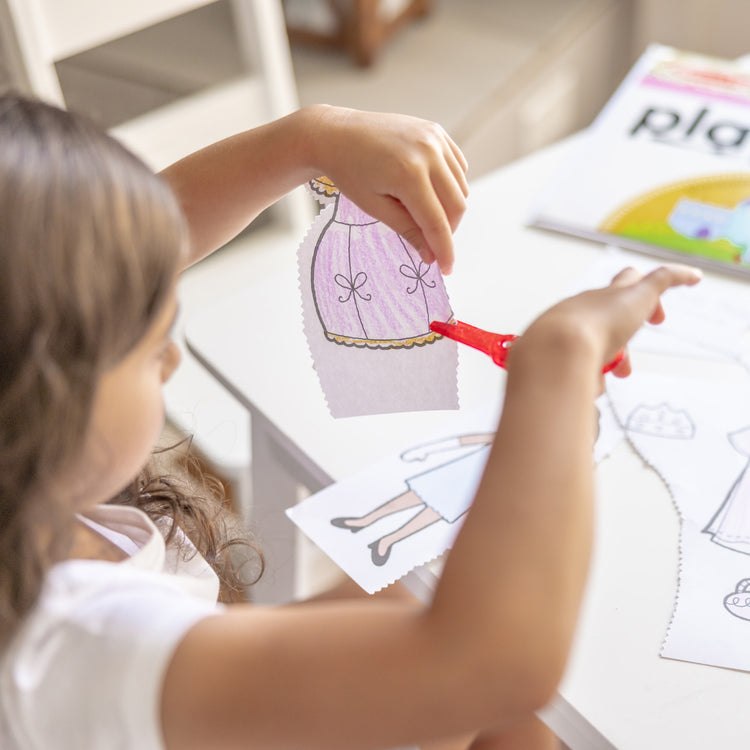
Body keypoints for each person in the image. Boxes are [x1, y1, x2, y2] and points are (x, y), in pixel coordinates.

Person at [0, 91, 702, 750]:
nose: (173, 360)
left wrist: (307, 138)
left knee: (406, 597)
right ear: (41, 390)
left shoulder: (34, 512)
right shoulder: (71, 645)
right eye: (151, 347)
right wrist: (560, 362)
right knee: (507, 683)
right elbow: (494, 666)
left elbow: (127, 252)